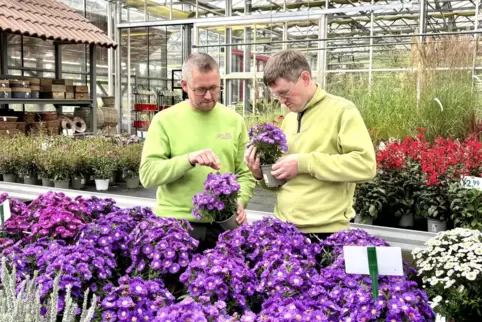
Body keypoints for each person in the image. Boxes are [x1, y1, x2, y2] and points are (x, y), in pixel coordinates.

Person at [244, 49, 376, 241]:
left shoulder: (342, 111)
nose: (281, 101)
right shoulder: (289, 119)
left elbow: (365, 165)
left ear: (305, 78)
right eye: (276, 95)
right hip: (285, 228)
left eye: (284, 92)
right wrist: (259, 174)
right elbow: (279, 182)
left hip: (326, 232)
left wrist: (303, 163)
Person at [140, 53, 255, 252]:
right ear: (184, 86)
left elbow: (246, 174)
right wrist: (188, 160)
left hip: (223, 226)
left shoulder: (234, 121)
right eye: (201, 89)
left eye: (214, 88)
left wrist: (239, 200)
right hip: (177, 226)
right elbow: (148, 175)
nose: (209, 96)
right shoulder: (164, 120)